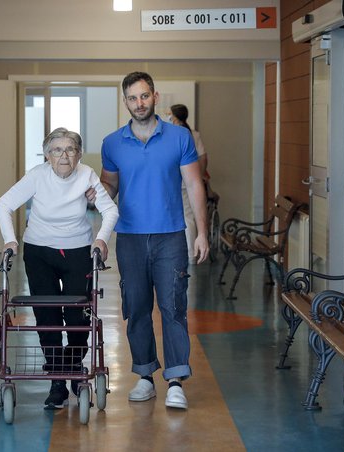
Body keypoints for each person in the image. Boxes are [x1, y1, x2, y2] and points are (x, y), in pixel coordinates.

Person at [100, 71, 208, 410]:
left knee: (173, 307)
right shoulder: (112, 143)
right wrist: (91, 194)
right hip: (129, 238)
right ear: (125, 102)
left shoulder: (178, 138)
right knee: (136, 308)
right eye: (132, 98)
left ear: (155, 96)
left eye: (144, 96)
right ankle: (145, 376)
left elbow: (194, 186)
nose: (139, 103)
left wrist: (202, 232)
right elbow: (110, 188)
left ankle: (175, 379)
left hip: (170, 236)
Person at [0, 127, 118, 410]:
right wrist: (10, 240)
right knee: (47, 315)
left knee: (76, 316)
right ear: (47, 155)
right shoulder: (37, 176)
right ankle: (57, 382)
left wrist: (101, 238)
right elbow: (3, 204)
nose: (64, 155)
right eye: (57, 150)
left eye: (71, 149)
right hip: (39, 252)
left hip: (77, 251)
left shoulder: (86, 175)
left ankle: (73, 367)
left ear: (78, 154)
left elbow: (110, 210)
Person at [166, 104, 208, 264]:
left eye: (170, 115)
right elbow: (204, 157)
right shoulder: (194, 134)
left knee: (178, 216)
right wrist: (201, 174)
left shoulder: (173, 135)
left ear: (175, 118)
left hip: (176, 181)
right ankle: (191, 253)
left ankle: (186, 253)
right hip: (190, 181)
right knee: (189, 217)